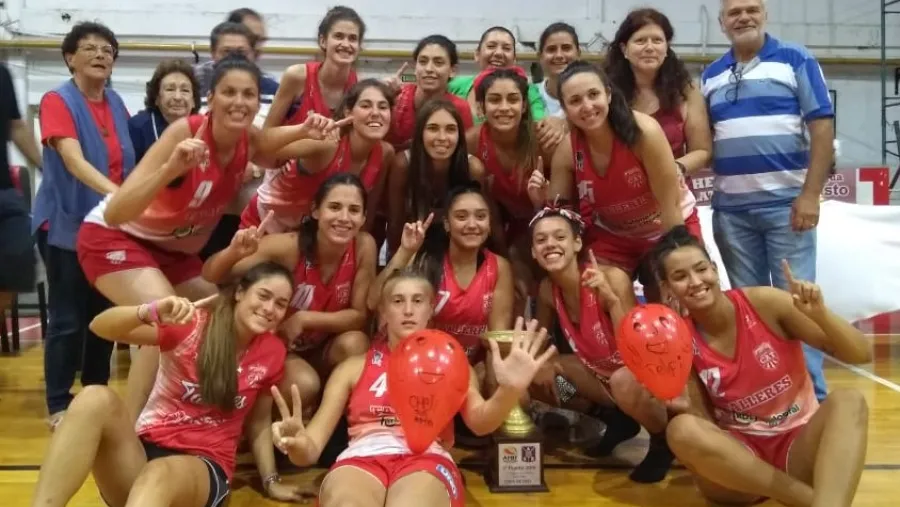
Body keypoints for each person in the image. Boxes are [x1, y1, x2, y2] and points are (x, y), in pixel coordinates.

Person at [76, 56, 340, 423]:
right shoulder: (186, 134)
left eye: (248, 94)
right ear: (211, 99)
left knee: (230, 314)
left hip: (173, 252)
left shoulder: (249, 140)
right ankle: (132, 430)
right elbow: (117, 211)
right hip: (114, 237)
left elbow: (272, 142)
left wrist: (310, 129)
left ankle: (205, 415)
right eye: (228, 92)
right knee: (169, 322)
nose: (239, 101)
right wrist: (171, 169)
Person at [272, 268, 556, 507]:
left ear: (431, 308)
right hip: (362, 459)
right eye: (397, 301)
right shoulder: (353, 367)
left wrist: (509, 391)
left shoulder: (452, 363)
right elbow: (310, 451)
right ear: (383, 310)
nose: (408, 310)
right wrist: (296, 444)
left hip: (426, 459)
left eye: (417, 300)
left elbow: (481, 423)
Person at [29, 261, 305, 507]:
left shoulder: (272, 352)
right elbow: (99, 327)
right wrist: (149, 311)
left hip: (204, 465)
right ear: (240, 292)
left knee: (160, 473)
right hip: (144, 454)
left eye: (280, 304)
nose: (270, 309)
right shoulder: (192, 325)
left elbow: (258, 423)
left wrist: (270, 480)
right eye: (264, 296)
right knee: (93, 398)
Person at [651, 225, 869, 506]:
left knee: (849, 400)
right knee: (680, 429)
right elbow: (705, 427)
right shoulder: (677, 339)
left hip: (798, 447)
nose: (695, 281)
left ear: (715, 270)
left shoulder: (765, 303)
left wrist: (821, 315)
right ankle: (808, 499)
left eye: (701, 269)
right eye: (680, 276)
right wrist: (684, 407)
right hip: (744, 469)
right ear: (668, 288)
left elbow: (862, 353)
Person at [701, 0, 835, 402]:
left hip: (787, 208)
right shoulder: (709, 75)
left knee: (798, 304)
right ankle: (770, 396)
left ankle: (814, 399)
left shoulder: (795, 59)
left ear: (765, 14)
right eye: (734, 12)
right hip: (732, 213)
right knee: (751, 310)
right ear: (722, 23)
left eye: (751, 8)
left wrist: (810, 194)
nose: (744, 17)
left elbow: (822, 128)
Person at [32, 21, 135, 430]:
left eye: (107, 50)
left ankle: (96, 391)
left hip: (110, 229)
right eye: (89, 48)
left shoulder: (117, 104)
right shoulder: (57, 100)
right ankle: (59, 402)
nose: (99, 55)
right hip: (66, 226)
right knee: (68, 318)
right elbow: (73, 162)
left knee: (104, 314)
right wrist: (120, 196)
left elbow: (134, 162)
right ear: (70, 57)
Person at [204, 173, 376, 408]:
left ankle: (327, 416)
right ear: (316, 211)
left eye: (354, 210)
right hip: (277, 347)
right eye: (334, 207)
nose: (344, 218)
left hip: (321, 347)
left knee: (356, 344)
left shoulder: (364, 245)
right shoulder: (288, 246)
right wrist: (234, 252)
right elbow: (212, 274)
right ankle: (260, 419)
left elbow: (358, 316)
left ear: (364, 216)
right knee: (304, 383)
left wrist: (303, 319)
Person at [528, 206, 674, 483]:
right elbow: (541, 337)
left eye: (559, 237)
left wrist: (613, 302)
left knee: (622, 379)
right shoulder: (548, 289)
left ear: (577, 243)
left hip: (638, 378)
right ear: (533, 252)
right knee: (537, 373)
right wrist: (542, 363)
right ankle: (610, 417)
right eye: (541, 240)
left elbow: (640, 350)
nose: (550, 245)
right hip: (601, 381)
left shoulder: (611, 278)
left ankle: (661, 440)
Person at [543, 60, 698, 302]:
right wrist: (540, 201)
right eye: (575, 101)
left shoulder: (645, 132)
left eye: (593, 94)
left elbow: (671, 208)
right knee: (599, 288)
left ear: (608, 94)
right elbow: (559, 214)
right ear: (564, 108)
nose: (587, 106)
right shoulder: (567, 151)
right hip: (613, 234)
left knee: (678, 294)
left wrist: (676, 267)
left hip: (668, 226)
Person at [371, 185, 513, 367]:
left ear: (489, 223)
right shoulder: (425, 259)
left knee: (512, 386)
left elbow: (496, 338)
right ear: (446, 223)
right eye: (461, 217)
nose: (472, 224)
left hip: (467, 366)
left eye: (481, 216)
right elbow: (373, 301)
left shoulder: (499, 267)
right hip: (417, 359)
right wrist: (405, 252)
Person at [241, 79, 394, 234]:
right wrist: (301, 130)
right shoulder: (328, 143)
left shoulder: (386, 152)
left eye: (383, 107)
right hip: (265, 225)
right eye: (366, 106)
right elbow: (259, 149)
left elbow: (368, 211)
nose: (375, 113)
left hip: (316, 234)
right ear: (348, 112)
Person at [194, 21, 280, 261]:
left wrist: (250, 168)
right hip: (202, 210)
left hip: (252, 208)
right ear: (213, 54)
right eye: (225, 52)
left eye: (241, 53)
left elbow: (274, 145)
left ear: (253, 55)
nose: (234, 58)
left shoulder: (274, 89)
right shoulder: (193, 86)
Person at [467, 67, 549, 311]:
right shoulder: (471, 141)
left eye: (513, 99)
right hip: (498, 229)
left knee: (548, 281)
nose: (504, 107)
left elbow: (562, 205)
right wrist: (506, 258)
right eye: (494, 100)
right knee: (513, 285)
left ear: (524, 106)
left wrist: (540, 204)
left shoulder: (543, 140)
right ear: (481, 108)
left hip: (543, 222)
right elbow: (482, 210)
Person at [604, 8, 712, 178]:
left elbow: (702, 150)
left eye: (657, 40)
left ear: (667, 48)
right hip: (619, 192)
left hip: (673, 191)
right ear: (624, 49)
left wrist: (674, 169)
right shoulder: (604, 91)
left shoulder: (686, 91)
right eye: (640, 41)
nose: (649, 47)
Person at [385, 99, 484, 254]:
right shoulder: (403, 165)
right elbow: (395, 224)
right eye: (433, 128)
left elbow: (478, 224)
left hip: (457, 246)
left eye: (450, 129)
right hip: (412, 246)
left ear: (460, 135)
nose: (442, 137)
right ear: (420, 133)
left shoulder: (473, 168)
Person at [448, 26, 565, 155]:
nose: (498, 53)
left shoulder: (528, 91)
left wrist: (558, 123)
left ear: (514, 60)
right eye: (491, 46)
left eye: (506, 48)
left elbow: (540, 126)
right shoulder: (454, 86)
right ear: (477, 55)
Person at [266, 6, 364, 125]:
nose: (346, 44)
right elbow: (266, 137)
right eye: (338, 36)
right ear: (323, 41)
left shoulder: (360, 86)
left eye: (353, 38)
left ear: (359, 46)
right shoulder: (297, 76)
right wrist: (304, 132)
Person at [0, 62, 41, 319]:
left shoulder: (1, 74)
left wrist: (45, 167)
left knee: (19, 263)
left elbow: (16, 125)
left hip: (3, 192)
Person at [385, 35, 473, 152]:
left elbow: (464, 154)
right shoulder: (396, 98)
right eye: (423, 61)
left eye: (438, 62)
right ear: (415, 67)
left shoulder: (459, 108)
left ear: (452, 71)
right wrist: (384, 98)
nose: (429, 68)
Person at [128, 59, 201, 162]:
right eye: (170, 89)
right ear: (157, 98)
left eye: (185, 90)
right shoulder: (137, 127)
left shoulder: (203, 127)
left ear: (194, 100)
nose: (177, 97)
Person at [535, 22, 581, 118]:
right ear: (540, 57)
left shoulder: (591, 97)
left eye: (566, 48)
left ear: (578, 54)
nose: (559, 55)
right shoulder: (530, 96)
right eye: (551, 49)